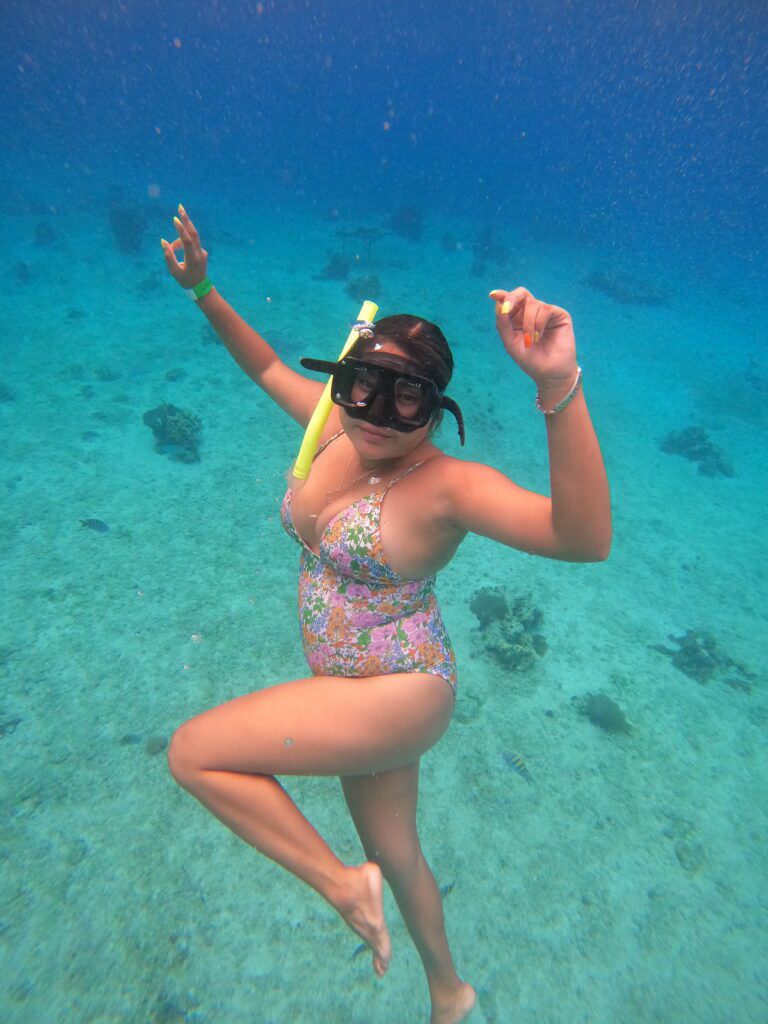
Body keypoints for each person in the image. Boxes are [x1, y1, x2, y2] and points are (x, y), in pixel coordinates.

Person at [160, 205, 611, 1024]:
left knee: (195, 755)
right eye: (360, 386)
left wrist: (556, 384)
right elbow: (263, 366)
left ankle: (341, 887)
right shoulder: (335, 425)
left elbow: (582, 539)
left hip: (403, 688)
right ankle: (451, 993)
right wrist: (204, 290)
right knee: (396, 852)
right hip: (344, 679)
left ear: (434, 409)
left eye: (405, 401)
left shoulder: (447, 485)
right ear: (345, 380)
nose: (374, 415)